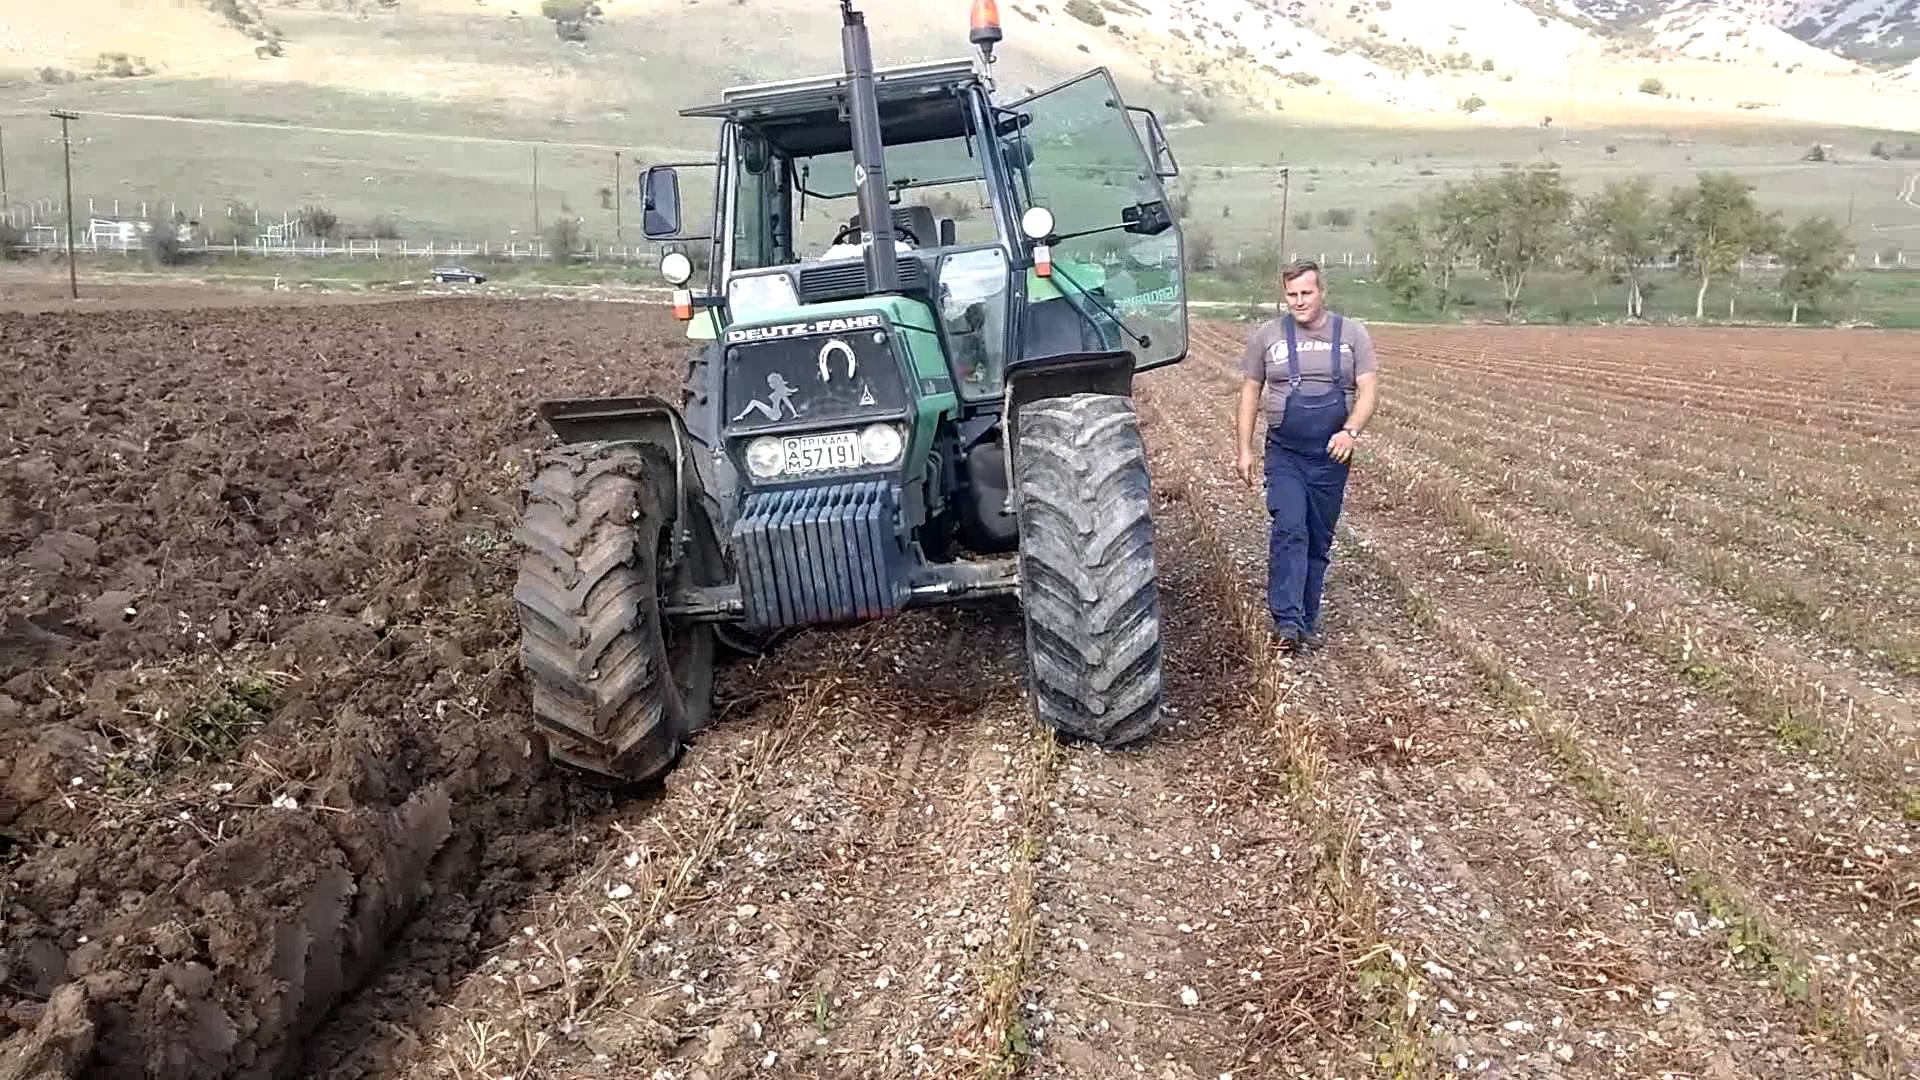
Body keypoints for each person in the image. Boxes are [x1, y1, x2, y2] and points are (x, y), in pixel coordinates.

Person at [1234, 260, 1379, 653]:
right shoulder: (1267, 337)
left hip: (1331, 456)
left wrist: (1350, 433)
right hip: (1285, 451)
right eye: (1292, 294)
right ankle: (1286, 620)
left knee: (1317, 538)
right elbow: (1250, 391)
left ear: (1321, 292)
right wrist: (1244, 449)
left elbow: (1368, 391)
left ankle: (1304, 621)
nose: (1298, 301)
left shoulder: (1351, 335)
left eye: (1306, 293)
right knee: (1290, 528)